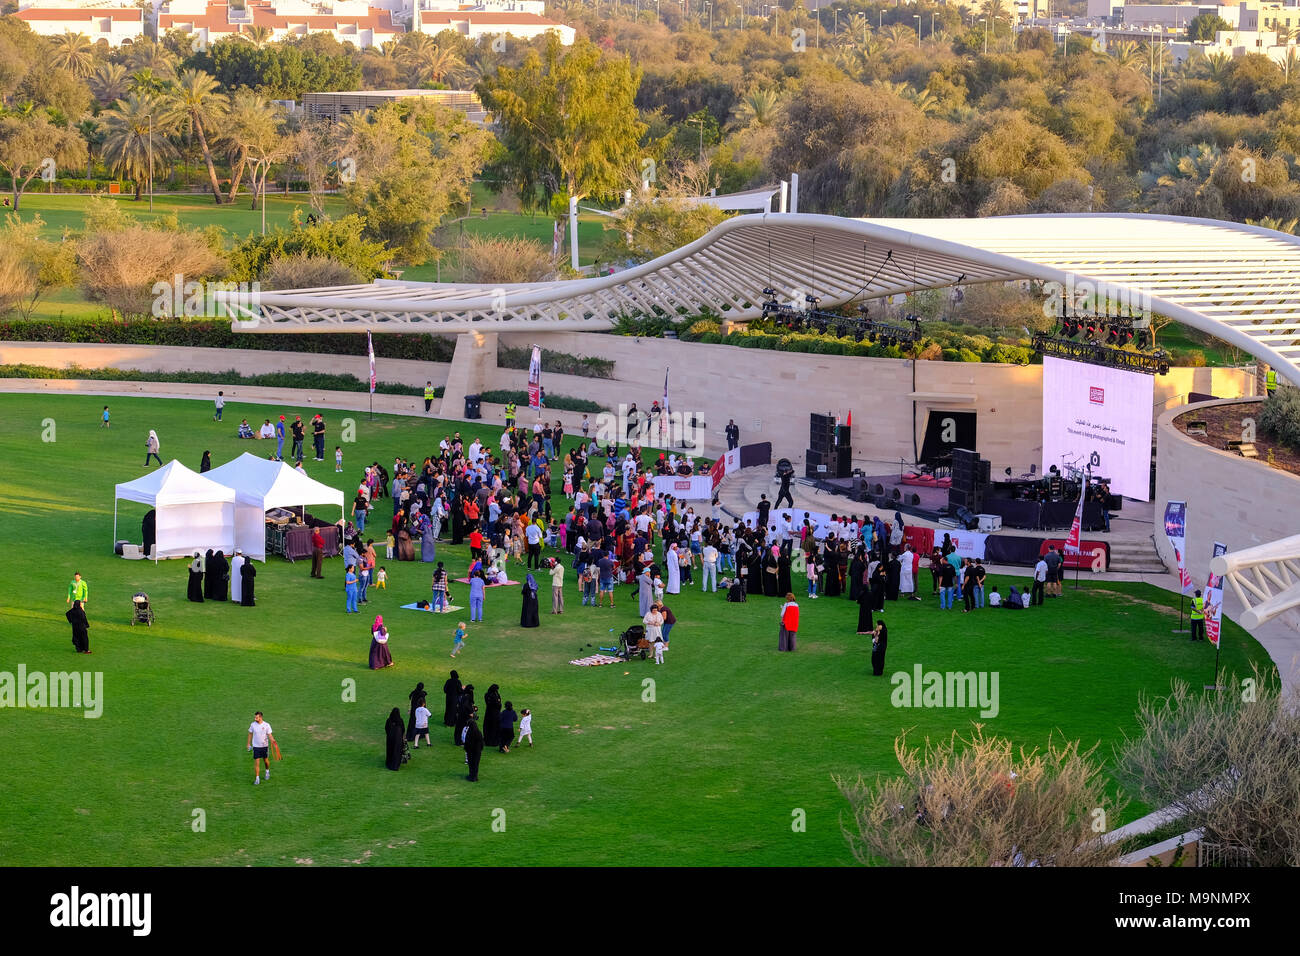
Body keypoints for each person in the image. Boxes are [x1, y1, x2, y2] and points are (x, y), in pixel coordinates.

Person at [246, 711, 277, 786]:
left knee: (266, 761)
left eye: (256, 717)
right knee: (257, 762)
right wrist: (248, 743)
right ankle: (257, 778)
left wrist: (273, 741)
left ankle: (267, 771)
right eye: (255, 717)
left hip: (264, 747)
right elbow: (250, 734)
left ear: (260, 717)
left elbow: (270, 735)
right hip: (256, 747)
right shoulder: (253, 725)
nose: (255, 718)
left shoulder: (266, 725)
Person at [464, 711, 484, 782]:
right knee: (476, 764)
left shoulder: (469, 733)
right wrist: (481, 749)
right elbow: (482, 742)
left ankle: (471, 776)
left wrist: (466, 749)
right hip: (477, 751)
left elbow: (466, 742)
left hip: (470, 751)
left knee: (471, 764)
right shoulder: (478, 732)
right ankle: (475, 776)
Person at [483, 684, 503, 749]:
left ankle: (488, 741)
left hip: (488, 713)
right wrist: (498, 702)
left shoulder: (487, 694)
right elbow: (498, 704)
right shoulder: (496, 695)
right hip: (495, 713)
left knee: (488, 726)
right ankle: (494, 741)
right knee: (495, 726)